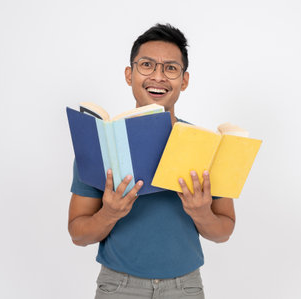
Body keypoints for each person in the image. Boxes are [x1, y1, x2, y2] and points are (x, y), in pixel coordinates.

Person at [68, 23, 236, 299]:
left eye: (170, 68)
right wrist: (109, 213)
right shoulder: (102, 142)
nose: (158, 76)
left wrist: (202, 213)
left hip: (185, 287)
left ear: (184, 80)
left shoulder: (204, 145)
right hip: (118, 287)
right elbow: (78, 234)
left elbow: (223, 232)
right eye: (146, 65)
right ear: (129, 74)